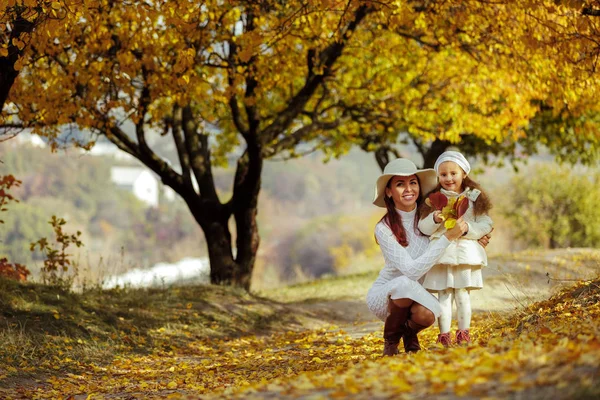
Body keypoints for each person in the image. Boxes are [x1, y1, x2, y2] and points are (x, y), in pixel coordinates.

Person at [366, 158, 475, 356]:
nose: (408, 189)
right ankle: (390, 342)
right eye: (400, 184)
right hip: (387, 295)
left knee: (430, 313)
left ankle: (408, 334)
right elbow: (411, 271)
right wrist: (447, 237)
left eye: (412, 183)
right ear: (389, 192)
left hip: (416, 292)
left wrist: (479, 236)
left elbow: (462, 228)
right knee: (405, 283)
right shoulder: (383, 228)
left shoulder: (431, 217)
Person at [418, 151, 493, 347]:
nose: (449, 178)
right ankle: (444, 335)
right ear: (438, 176)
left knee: (462, 293)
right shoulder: (433, 199)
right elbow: (423, 228)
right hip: (442, 253)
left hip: (465, 253)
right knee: (443, 294)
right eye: (443, 175)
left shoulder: (474, 197)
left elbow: (486, 222)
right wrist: (434, 219)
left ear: (464, 173)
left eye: (453, 173)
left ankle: (463, 333)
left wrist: (469, 228)